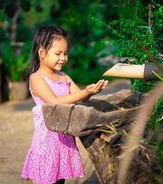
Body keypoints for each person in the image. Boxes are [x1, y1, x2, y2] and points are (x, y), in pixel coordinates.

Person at [21, 25, 108, 184]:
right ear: (41, 53)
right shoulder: (36, 78)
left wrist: (90, 91)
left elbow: (80, 97)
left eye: (66, 53)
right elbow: (54, 102)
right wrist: (83, 92)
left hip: (64, 140)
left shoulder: (64, 76)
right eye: (58, 53)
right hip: (47, 143)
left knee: (60, 181)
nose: (63, 58)